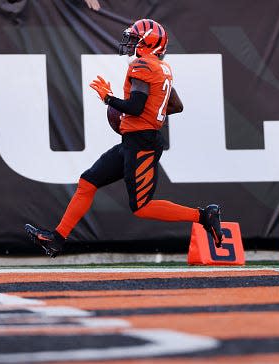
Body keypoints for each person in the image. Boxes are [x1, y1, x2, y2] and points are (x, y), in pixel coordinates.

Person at [25, 19, 224, 257]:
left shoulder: (143, 66)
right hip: (133, 141)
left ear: (147, 42)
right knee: (88, 181)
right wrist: (152, 113)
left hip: (142, 143)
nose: (129, 43)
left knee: (141, 207)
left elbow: (136, 107)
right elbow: (176, 105)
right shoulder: (161, 68)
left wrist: (108, 98)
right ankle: (56, 239)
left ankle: (204, 216)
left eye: (134, 38)